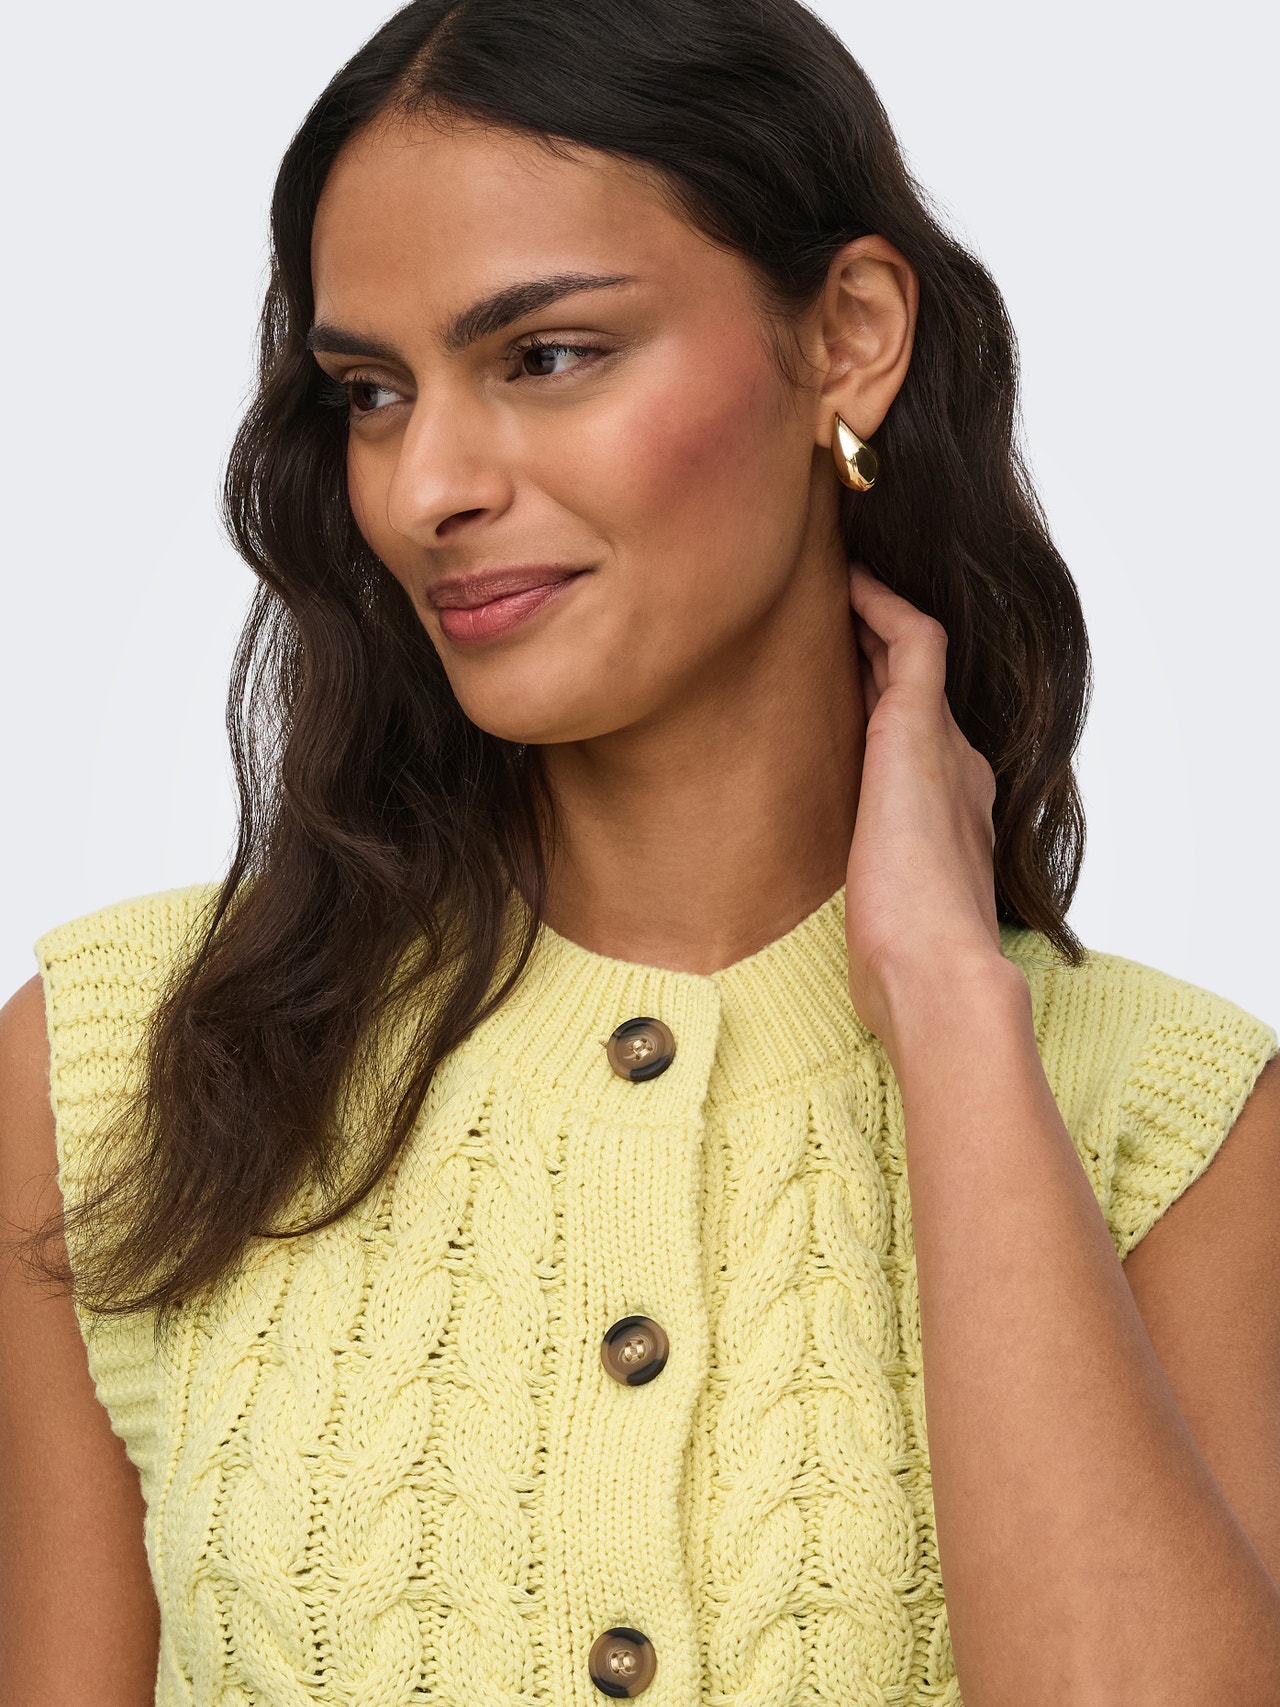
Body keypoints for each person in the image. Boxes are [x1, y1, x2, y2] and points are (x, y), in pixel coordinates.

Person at [2, 0, 1278, 1702]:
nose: (425, 487)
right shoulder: (122, 1065)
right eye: (372, 393)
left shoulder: (1172, 1125)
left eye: (546, 356)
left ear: (849, 338)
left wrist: (950, 1002)